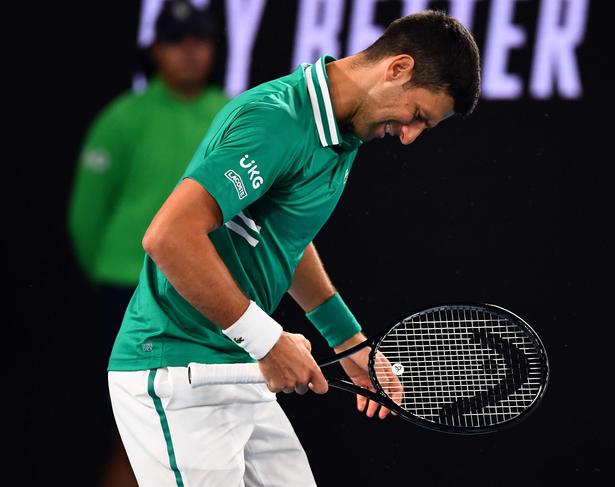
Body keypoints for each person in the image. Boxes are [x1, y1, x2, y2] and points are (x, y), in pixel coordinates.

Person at [107, 9, 480, 486]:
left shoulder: (345, 135)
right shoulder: (277, 120)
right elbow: (168, 238)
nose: (409, 137)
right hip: (179, 371)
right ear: (398, 69)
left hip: (236, 364)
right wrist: (267, 341)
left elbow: (283, 236)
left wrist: (350, 343)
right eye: (418, 116)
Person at [67, 1, 229, 485]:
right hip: (127, 292)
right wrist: (113, 270)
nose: (189, 53)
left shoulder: (229, 118)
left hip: (204, 296)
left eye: (199, 41)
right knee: (131, 430)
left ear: (214, 49)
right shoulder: (123, 117)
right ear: (156, 50)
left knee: (199, 428)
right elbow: (86, 216)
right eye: (177, 43)